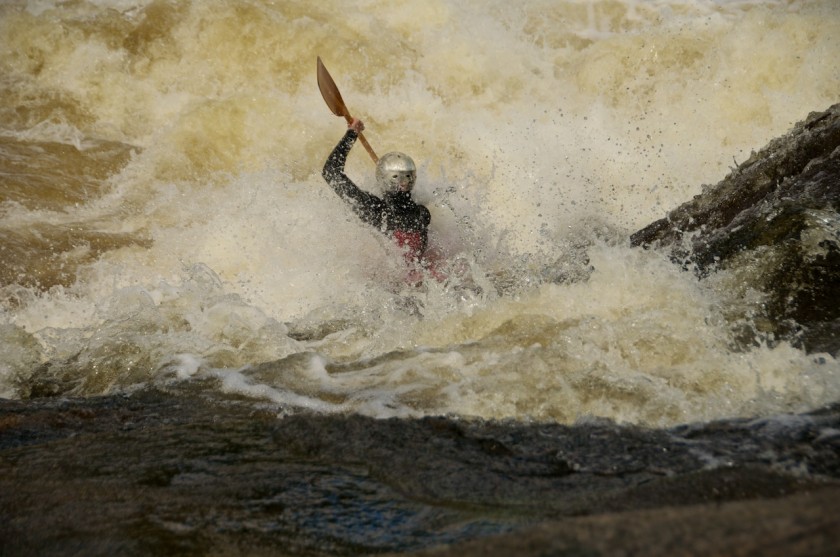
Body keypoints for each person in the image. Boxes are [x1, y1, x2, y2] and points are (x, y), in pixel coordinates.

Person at [322, 118, 444, 283]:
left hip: (389, 287)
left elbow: (331, 172)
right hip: (422, 284)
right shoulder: (423, 213)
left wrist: (352, 134)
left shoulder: (374, 211)